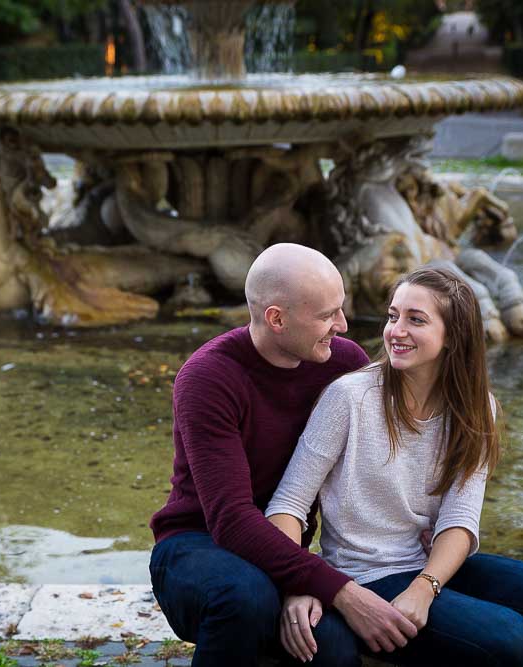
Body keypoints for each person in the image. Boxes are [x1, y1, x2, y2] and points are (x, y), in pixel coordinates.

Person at [266, 266, 523, 666]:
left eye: (416, 320)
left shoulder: (474, 406)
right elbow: (288, 505)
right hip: (364, 575)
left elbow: (460, 520)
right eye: (393, 316)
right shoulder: (349, 398)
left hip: (434, 567)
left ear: (453, 337)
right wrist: (301, 582)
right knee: (513, 644)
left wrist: (425, 586)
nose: (396, 331)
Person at [149, 243, 422, 667]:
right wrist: (340, 590)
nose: (343, 325)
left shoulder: (342, 362)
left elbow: (377, 460)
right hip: (195, 545)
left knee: (330, 643)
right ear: (277, 318)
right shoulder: (208, 378)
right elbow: (232, 520)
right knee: (245, 596)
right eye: (327, 315)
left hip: (286, 543)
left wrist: (422, 521)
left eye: (341, 309)